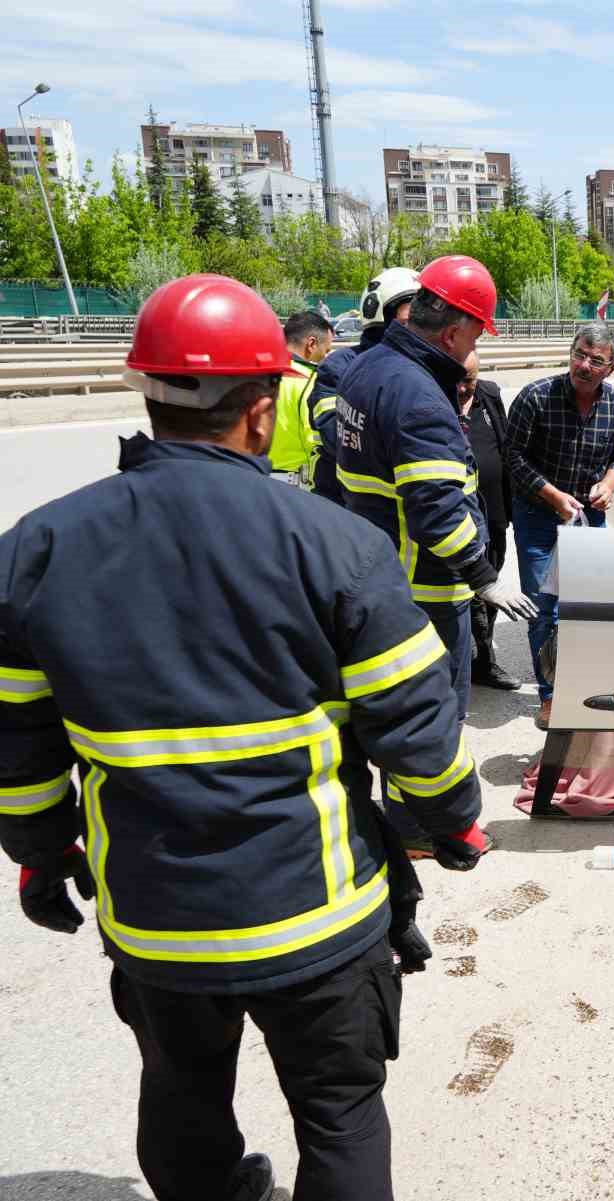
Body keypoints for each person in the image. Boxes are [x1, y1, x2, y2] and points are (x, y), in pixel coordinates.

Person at [0, 275, 492, 1201]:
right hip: (317, 917)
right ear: (263, 414)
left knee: (181, 1098)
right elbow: (417, 730)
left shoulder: (36, 549)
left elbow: (18, 753)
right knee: (341, 1114)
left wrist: (39, 853)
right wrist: (455, 822)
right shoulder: (337, 546)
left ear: (147, 394)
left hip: (157, 921)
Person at [335, 254, 536, 854]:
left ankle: (404, 817)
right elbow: (437, 511)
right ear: (453, 331)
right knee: (434, 715)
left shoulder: (367, 368)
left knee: (395, 713)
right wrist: (483, 577)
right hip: (424, 587)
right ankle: (423, 829)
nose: (476, 345)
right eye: (476, 333)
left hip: (374, 572)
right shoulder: (420, 396)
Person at [505, 322, 614, 729]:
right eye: (580, 354)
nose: (585, 364)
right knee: (544, 607)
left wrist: (609, 484)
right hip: (538, 515)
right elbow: (513, 458)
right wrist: (552, 496)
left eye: (596, 360)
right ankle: (551, 696)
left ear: (610, 369)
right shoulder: (536, 397)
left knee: (586, 607)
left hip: (588, 519)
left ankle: (582, 685)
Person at [306, 267, 419, 501]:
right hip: (345, 507)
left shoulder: (420, 369)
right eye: (413, 314)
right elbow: (334, 434)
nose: (423, 323)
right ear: (381, 311)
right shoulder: (341, 367)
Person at [458, 350, 519, 690]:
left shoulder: (489, 395)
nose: (465, 388)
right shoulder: (435, 399)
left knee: (490, 591)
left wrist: (509, 511)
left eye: (470, 380)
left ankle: (484, 661)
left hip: (494, 515)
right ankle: (456, 667)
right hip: (457, 519)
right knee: (460, 594)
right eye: (460, 380)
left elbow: (506, 449)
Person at [268, 309, 333, 486]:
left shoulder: (258, 373)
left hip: (254, 477)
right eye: (326, 351)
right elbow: (316, 440)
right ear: (311, 344)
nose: (326, 358)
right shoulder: (312, 381)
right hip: (296, 484)